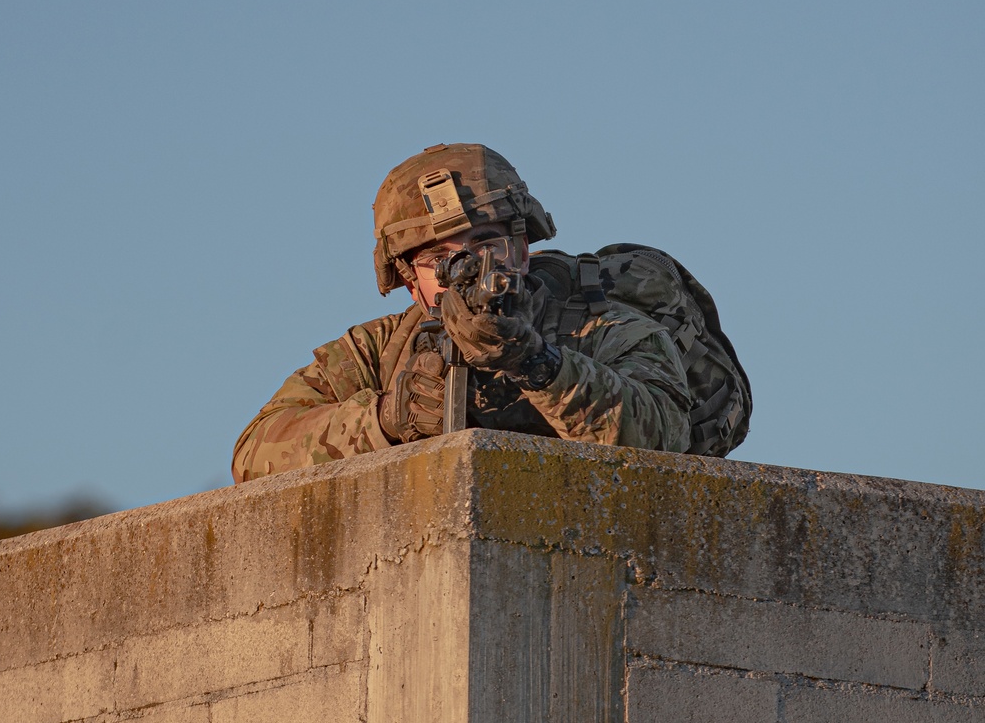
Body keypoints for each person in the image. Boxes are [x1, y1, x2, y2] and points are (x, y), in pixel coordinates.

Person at [232, 142, 749, 479]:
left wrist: (539, 365)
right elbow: (256, 454)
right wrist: (387, 418)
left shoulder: (600, 324)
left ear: (521, 249)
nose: (468, 267)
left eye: (485, 243)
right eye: (440, 258)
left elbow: (662, 435)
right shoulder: (380, 350)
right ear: (411, 280)